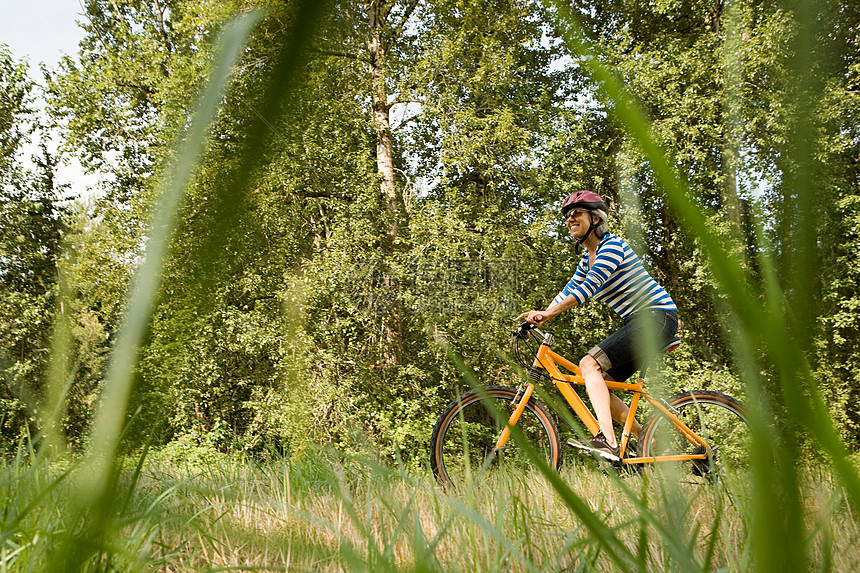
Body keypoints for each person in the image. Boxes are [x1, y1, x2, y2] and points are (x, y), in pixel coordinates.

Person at [517, 190, 678, 460]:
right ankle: (644, 440)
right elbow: (571, 287)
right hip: (641, 321)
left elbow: (589, 286)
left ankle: (608, 441)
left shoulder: (612, 246)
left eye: (576, 213)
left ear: (595, 218)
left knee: (588, 364)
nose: (570, 219)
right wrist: (544, 313)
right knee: (600, 382)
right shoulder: (586, 258)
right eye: (567, 216)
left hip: (656, 317)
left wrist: (548, 315)